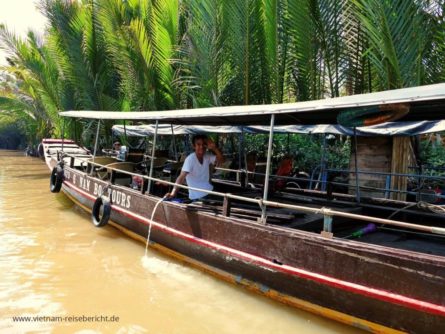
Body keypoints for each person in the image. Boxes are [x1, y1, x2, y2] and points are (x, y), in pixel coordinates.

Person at [167, 134, 224, 201]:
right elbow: (181, 177)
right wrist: (173, 194)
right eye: (198, 144)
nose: (201, 147)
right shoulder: (190, 159)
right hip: (198, 197)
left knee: (229, 201)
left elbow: (222, 160)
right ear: (194, 146)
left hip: (210, 191)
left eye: (203, 144)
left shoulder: (207, 156)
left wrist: (214, 148)